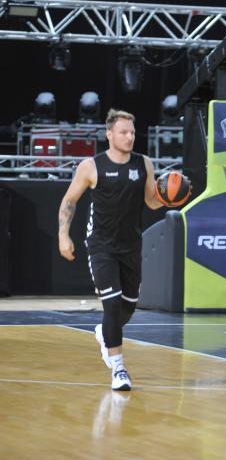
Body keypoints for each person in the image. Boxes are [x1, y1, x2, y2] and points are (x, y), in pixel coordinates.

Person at [58, 109, 169, 391]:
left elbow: (152, 202)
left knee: (128, 306)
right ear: (110, 134)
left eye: (132, 132)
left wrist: (169, 197)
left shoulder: (144, 163)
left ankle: (104, 333)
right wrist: (63, 235)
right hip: (101, 246)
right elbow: (69, 201)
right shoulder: (91, 166)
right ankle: (119, 369)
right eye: (123, 132)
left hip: (131, 245)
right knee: (111, 303)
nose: (130, 136)